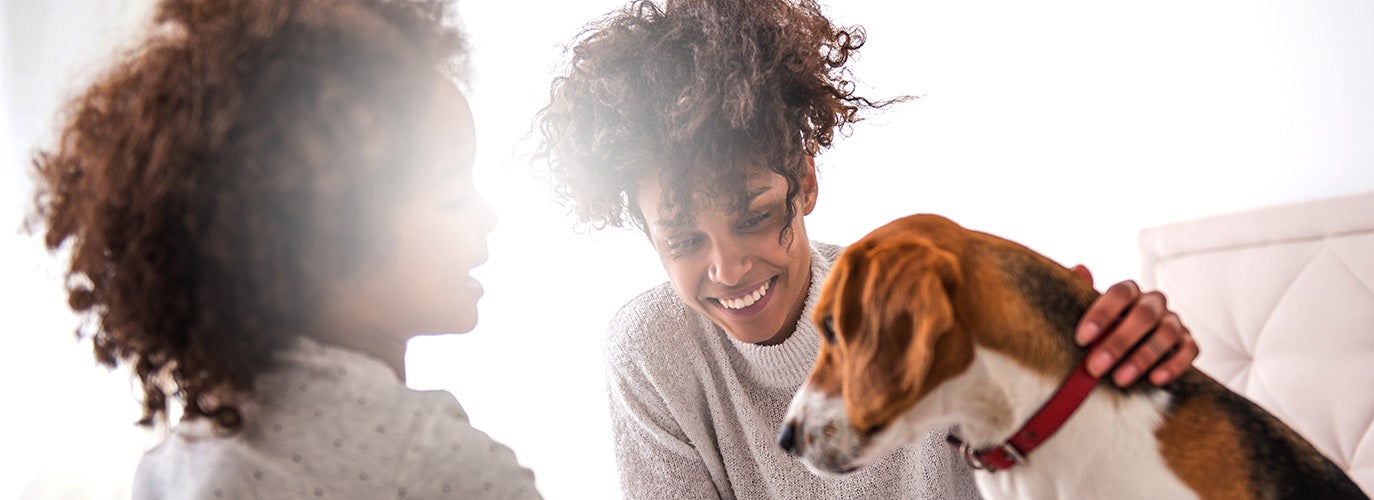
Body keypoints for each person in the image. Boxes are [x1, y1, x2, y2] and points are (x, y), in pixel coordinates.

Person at [536, 0, 1200, 497]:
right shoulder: (652, 353)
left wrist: (1127, 369)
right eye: (682, 240)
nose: (728, 268)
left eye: (756, 215)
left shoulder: (921, 303)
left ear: (806, 182)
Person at [29, 0, 540, 498]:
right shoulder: (436, 465)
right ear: (318, 233)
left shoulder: (171, 466)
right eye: (452, 194)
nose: (486, 215)